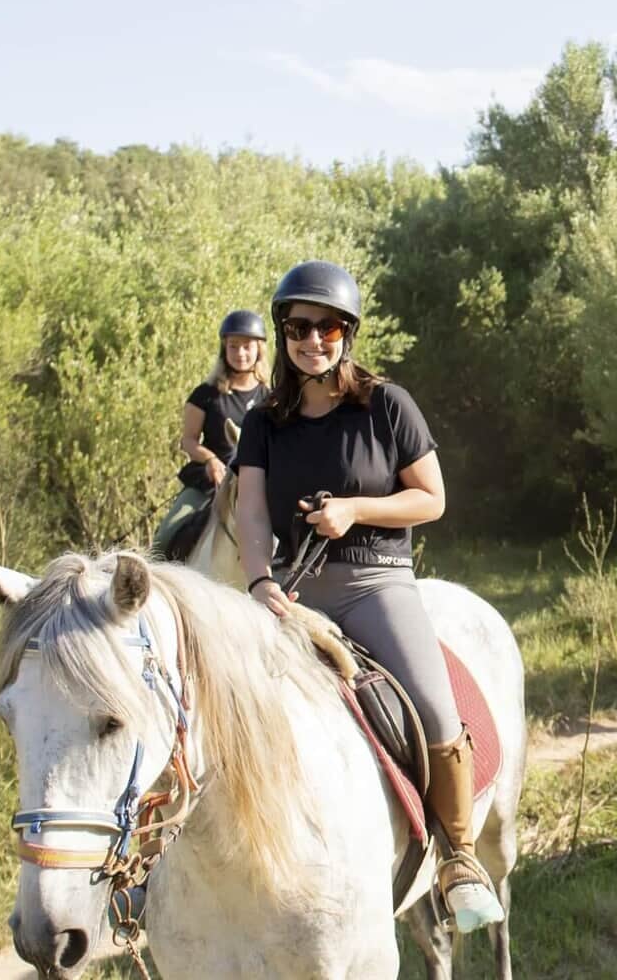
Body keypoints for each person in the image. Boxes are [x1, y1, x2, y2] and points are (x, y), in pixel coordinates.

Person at [232, 259, 503, 933]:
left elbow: (430, 498)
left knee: (437, 711)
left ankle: (459, 856)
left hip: (375, 583)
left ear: (347, 332)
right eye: (298, 327)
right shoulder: (265, 419)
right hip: (293, 591)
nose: (311, 339)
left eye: (326, 327)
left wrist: (355, 510)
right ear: (283, 333)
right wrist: (260, 581)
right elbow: (251, 513)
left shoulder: (386, 403)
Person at [151, 310, 269, 557]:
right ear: (224, 349)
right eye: (233, 346)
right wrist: (210, 460)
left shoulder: (271, 398)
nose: (240, 353)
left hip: (258, 482)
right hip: (210, 481)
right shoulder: (205, 394)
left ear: (259, 349)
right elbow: (188, 441)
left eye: (247, 346)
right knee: (164, 537)